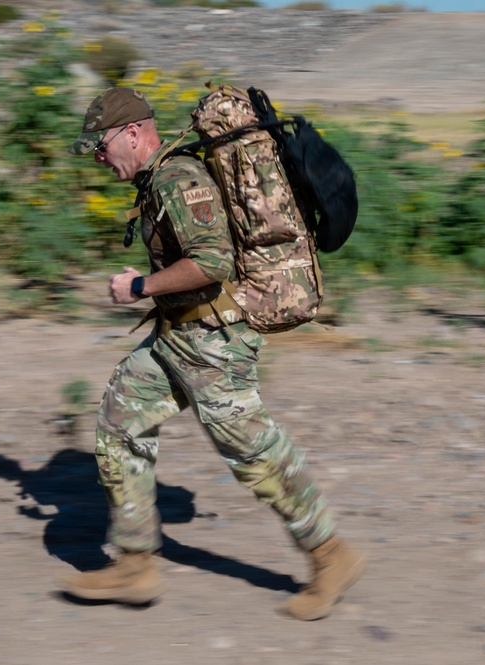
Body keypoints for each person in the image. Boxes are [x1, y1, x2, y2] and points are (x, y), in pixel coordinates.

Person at [62, 87, 365, 620]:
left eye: (101, 147)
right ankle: (134, 563)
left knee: (256, 456)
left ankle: (331, 555)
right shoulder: (159, 179)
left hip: (213, 345)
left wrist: (139, 288)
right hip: (179, 338)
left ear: (132, 134)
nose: (99, 159)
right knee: (119, 420)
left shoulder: (178, 179)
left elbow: (212, 262)